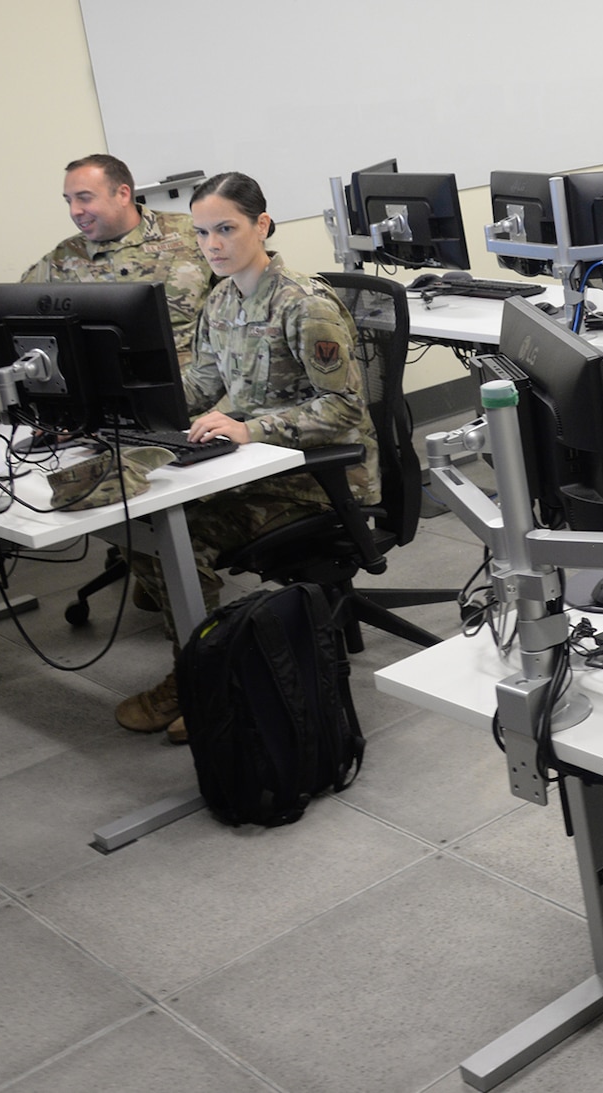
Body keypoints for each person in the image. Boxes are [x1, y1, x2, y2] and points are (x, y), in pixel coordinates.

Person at [115, 171, 378, 742]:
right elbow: (205, 380)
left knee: (179, 533)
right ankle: (206, 664)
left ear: (261, 224)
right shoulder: (224, 298)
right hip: (260, 463)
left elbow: (344, 409)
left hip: (321, 475)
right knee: (141, 520)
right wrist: (130, 409)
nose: (212, 244)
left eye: (226, 229)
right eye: (204, 232)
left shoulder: (304, 305)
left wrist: (250, 429)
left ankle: (210, 680)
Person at [23, 153, 210, 362]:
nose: (74, 211)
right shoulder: (63, 257)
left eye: (84, 198)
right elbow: (11, 311)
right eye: (69, 201)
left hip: (192, 378)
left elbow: (245, 293)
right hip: (108, 382)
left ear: (122, 194)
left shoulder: (192, 234)